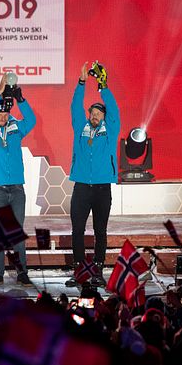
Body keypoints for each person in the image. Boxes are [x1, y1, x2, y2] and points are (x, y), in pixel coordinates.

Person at [0, 73, 36, 287]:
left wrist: (21, 100)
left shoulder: (15, 130)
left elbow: (32, 120)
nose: (2, 115)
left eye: (4, 112)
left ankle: (22, 273)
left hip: (17, 189)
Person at [66, 62, 121, 288]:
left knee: (100, 231)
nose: (95, 115)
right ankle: (79, 270)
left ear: (104, 116)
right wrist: (81, 83)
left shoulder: (110, 130)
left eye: (99, 112)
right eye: (93, 112)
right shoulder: (81, 127)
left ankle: (98, 270)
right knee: (77, 230)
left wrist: (102, 86)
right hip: (81, 188)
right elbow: (74, 106)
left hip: (101, 189)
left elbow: (114, 109)